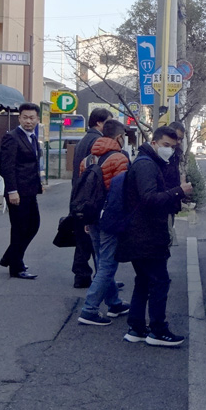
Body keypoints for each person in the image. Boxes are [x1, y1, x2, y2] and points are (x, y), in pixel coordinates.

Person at [117, 126, 192, 347]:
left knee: (143, 280)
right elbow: (149, 199)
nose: (169, 150)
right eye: (166, 145)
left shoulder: (147, 162)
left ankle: (137, 327)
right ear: (155, 142)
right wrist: (179, 191)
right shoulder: (146, 165)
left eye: (173, 146)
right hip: (146, 234)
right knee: (159, 281)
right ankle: (158, 330)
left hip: (139, 233)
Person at [77, 119, 131, 326]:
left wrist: (85, 218)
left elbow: (82, 191)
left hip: (91, 216)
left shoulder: (87, 160)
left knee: (101, 260)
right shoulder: (119, 159)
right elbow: (122, 192)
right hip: (110, 217)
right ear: (119, 137)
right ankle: (89, 309)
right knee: (108, 264)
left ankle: (114, 302)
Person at [0, 102, 44, 280]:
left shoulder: (32, 137)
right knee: (19, 228)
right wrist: (12, 190)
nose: (28, 121)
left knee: (33, 225)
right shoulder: (12, 137)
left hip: (30, 190)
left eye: (32, 118)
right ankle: (16, 267)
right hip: (17, 192)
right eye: (25, 117)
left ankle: (10, 256)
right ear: (19, 118)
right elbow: (6, 166)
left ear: (37, 119)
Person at [70, 107, 112, 288]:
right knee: (95, 239)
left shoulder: (83, 140)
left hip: (78, 194)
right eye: (108, 122)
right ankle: (101, 279)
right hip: (90, 195)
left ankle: (81, 275)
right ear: (99, 123)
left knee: (82, 237)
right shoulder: (98, 141)